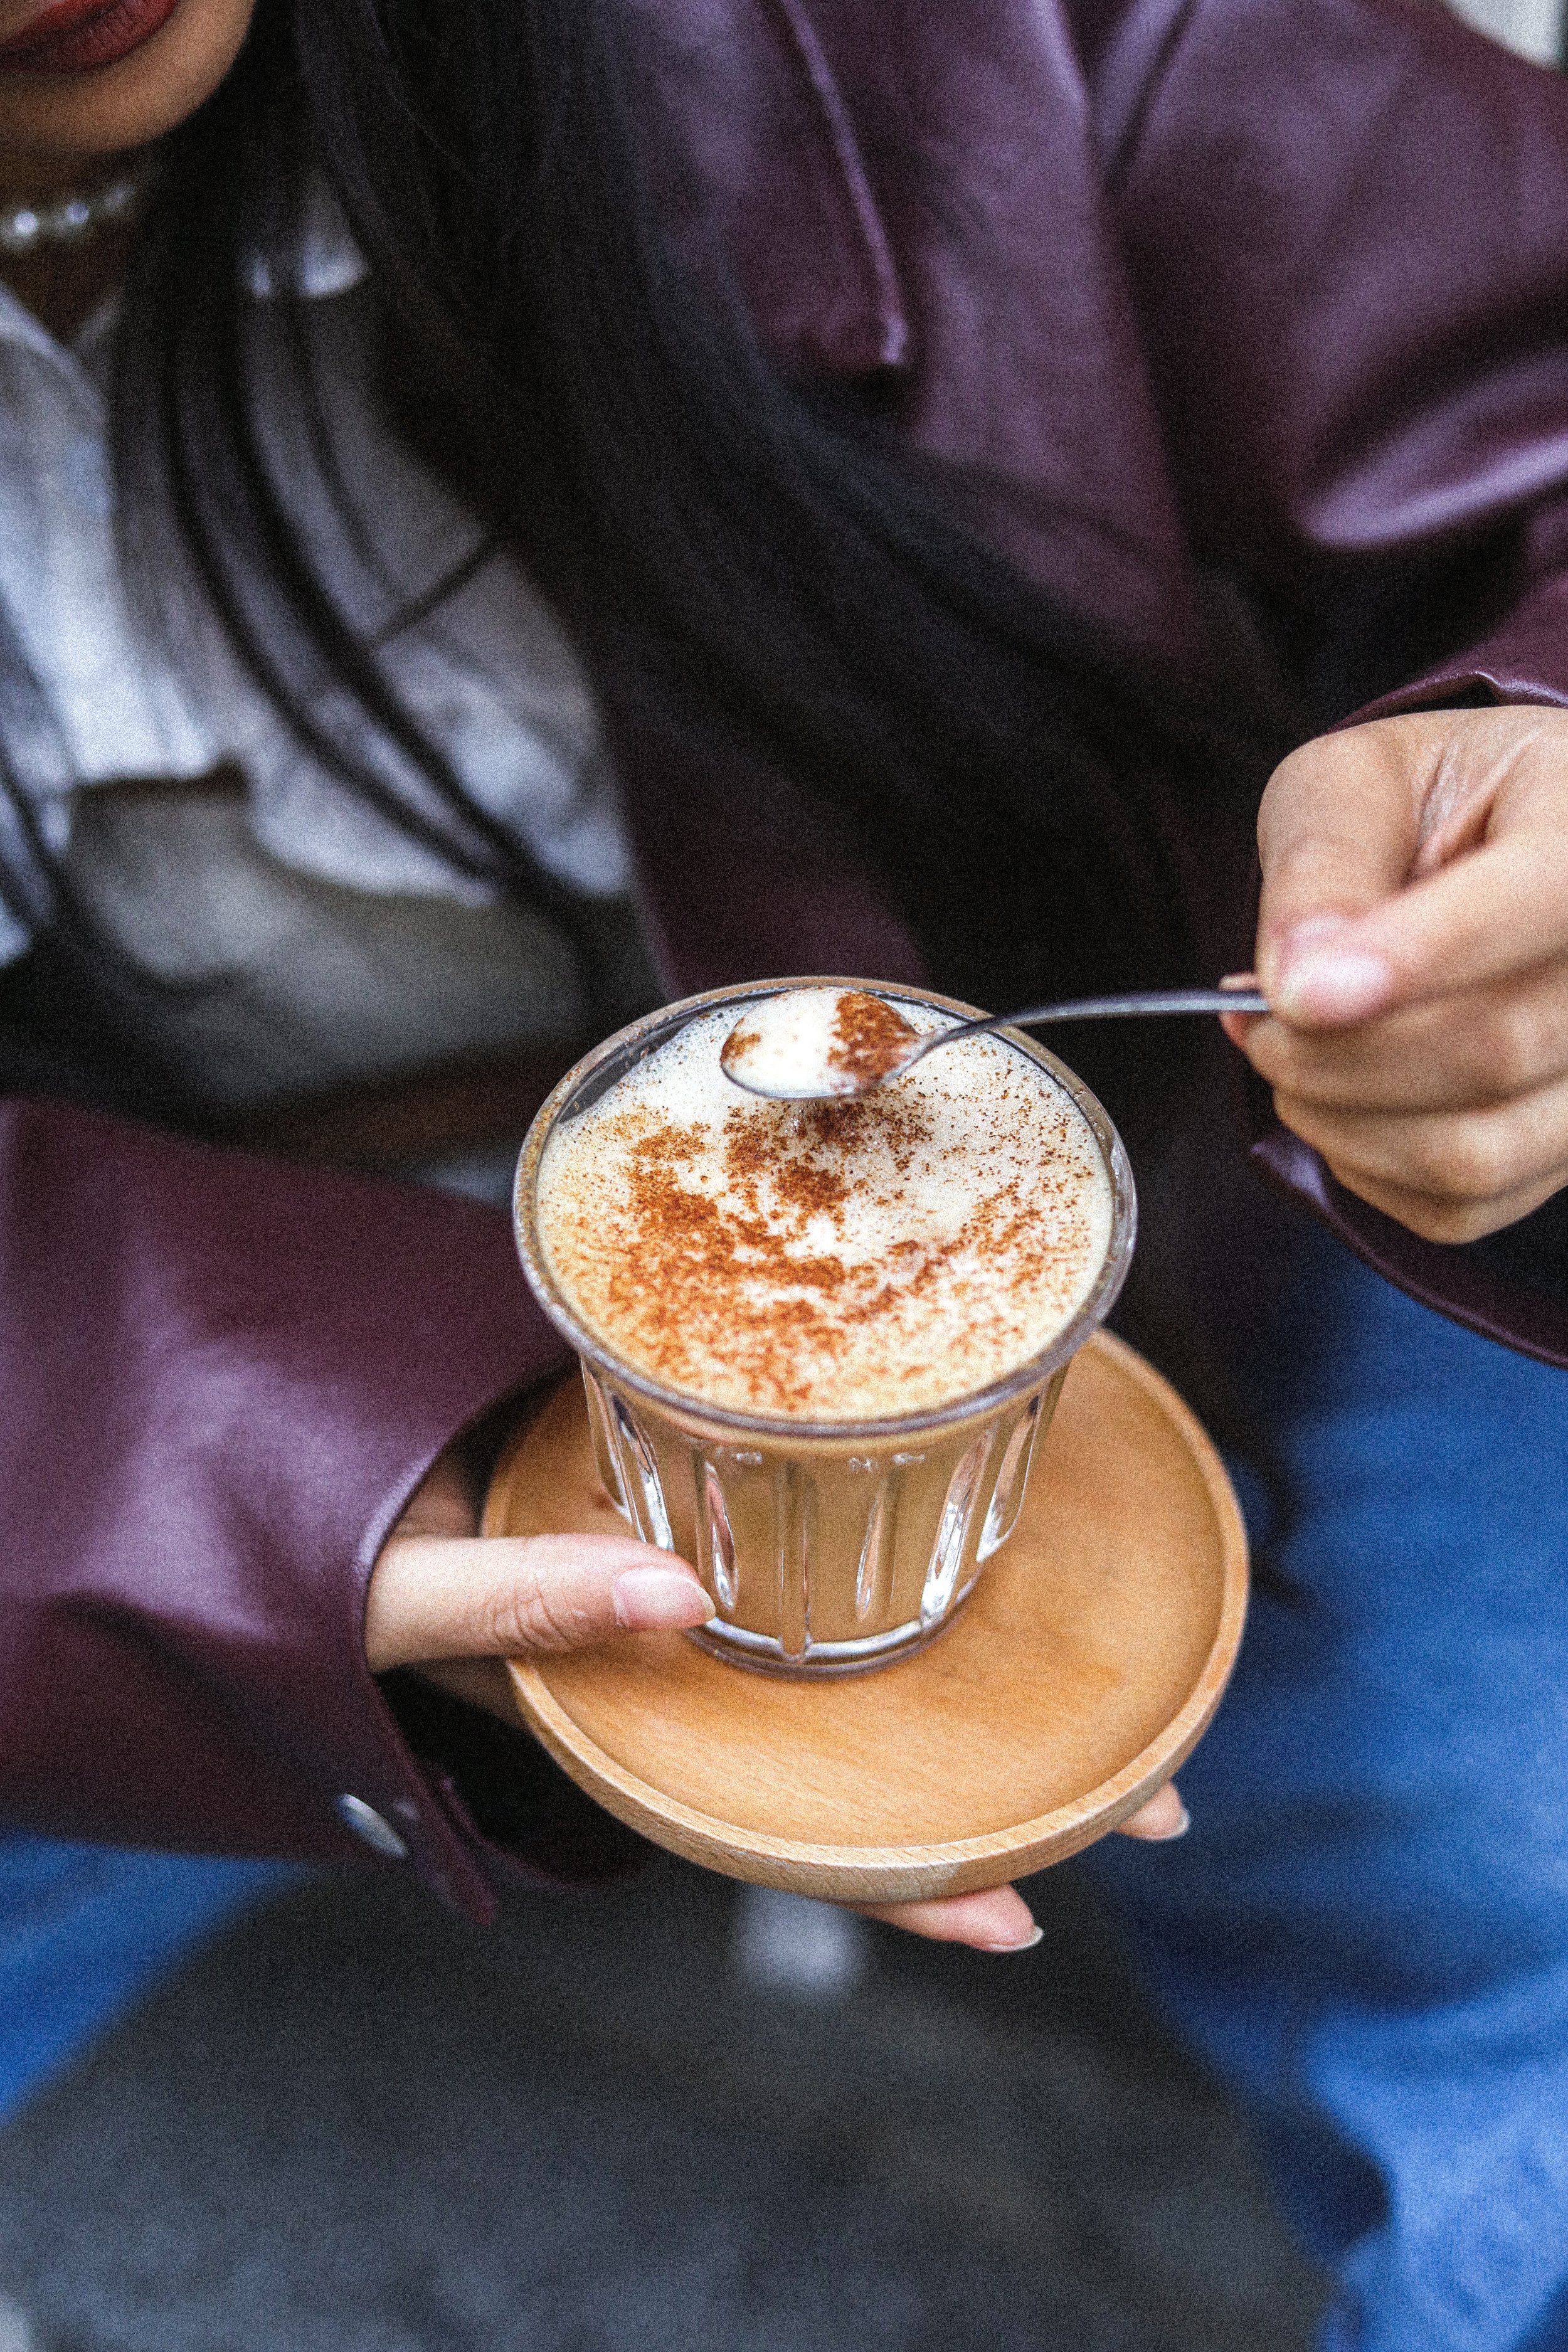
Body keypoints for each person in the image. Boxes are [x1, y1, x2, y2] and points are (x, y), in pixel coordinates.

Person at [1, 0, 1567, 2342]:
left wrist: (1523, 772)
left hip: (1183, 1173)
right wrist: (160, 1477)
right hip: (124, 1303)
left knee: (1509, 1959)